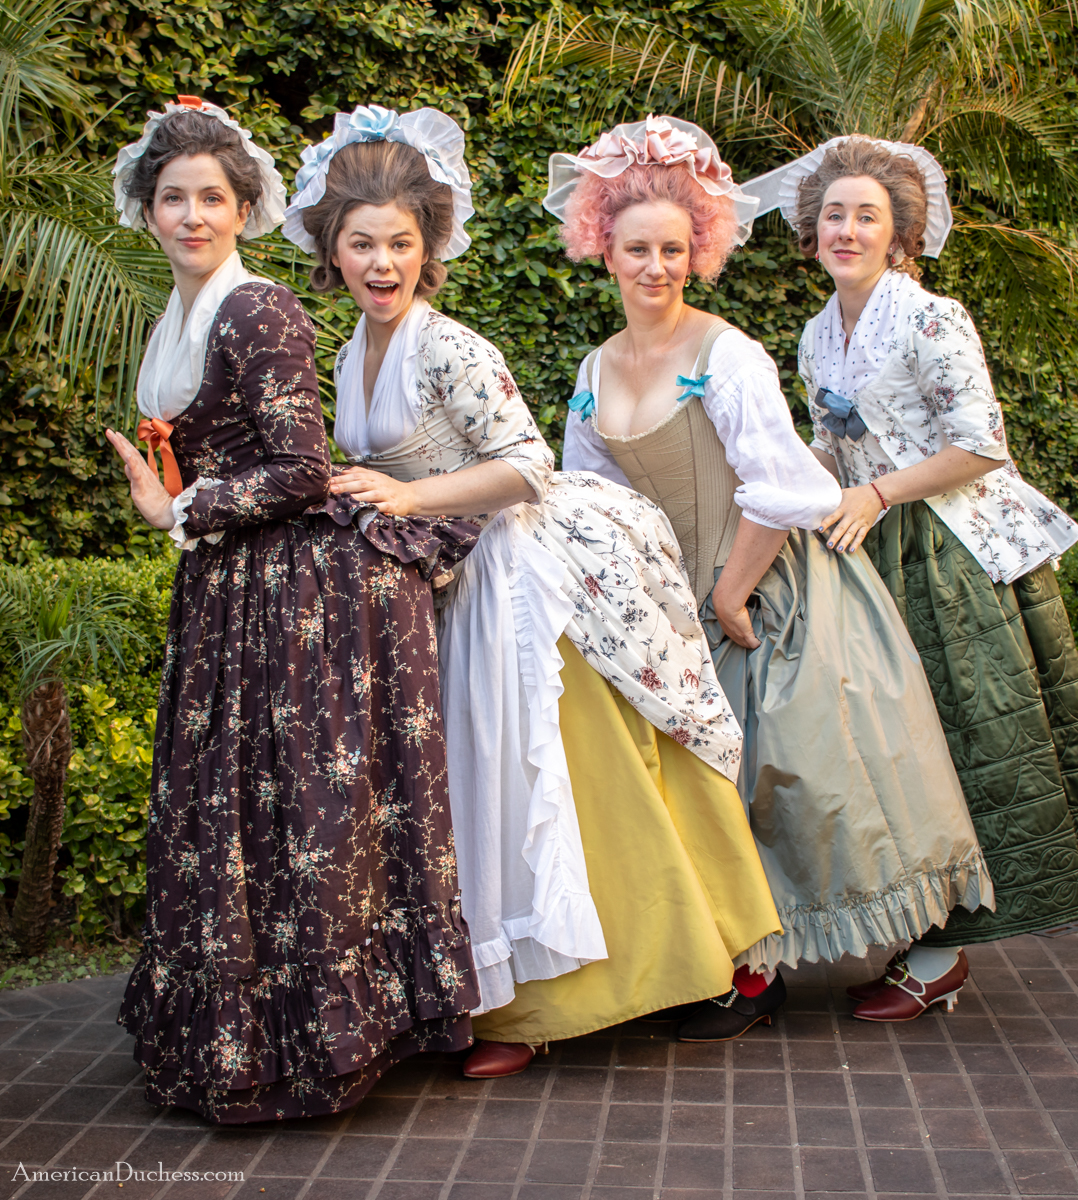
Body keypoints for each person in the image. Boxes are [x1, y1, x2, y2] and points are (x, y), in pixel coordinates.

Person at [281, 106, 781, 1077]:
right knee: (467, 790)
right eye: (363, 244)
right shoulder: (345, 356)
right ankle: (490, 994)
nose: (383, 263)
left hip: (511, 579)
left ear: (428, 250)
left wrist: (409, 495)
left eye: (401, 243)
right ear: (332, 251)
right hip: (434, 589)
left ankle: (543, 1007)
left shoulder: (450, 347)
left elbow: (526, 463)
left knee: (531, 778)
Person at [555, 116, 993, 1038]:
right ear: (603, 249)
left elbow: (783, 487)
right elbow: (594, 504)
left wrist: (728, 591)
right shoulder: (595, 369)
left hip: (767, 587)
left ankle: (831, 963)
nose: (656, 267)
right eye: (637, 249)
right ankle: (737, 967)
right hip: (678, 602)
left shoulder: (727, 354)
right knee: (702, 786)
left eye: (674, 250)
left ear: (699, 252)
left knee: (803, 781)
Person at [106, 98, 478, 1122]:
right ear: (147, 210)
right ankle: (250, 1035)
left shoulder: (257, 308)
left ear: (244, 209)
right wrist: (180, 502)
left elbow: (301, 467)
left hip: (296, 592)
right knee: (231, 806)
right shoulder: (178, 316)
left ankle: (312, 1044)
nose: (191, 215)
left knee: (289, 808)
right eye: (172, 198)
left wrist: (183, 508)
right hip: (231, 583)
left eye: (210, 198)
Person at [742, 135, 1078, 1019]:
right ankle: (919, 922)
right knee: (895, 748)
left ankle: (946, 951)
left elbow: (981, 446)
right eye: (833, 215)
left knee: (964, 738)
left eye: (866, 217)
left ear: (899, 234)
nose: (847, 230)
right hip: (866, 546)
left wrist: (878, 492)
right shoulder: (815, 333)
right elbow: (831, 447)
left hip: (951, 552)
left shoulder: (931, 318)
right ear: (811, 230)